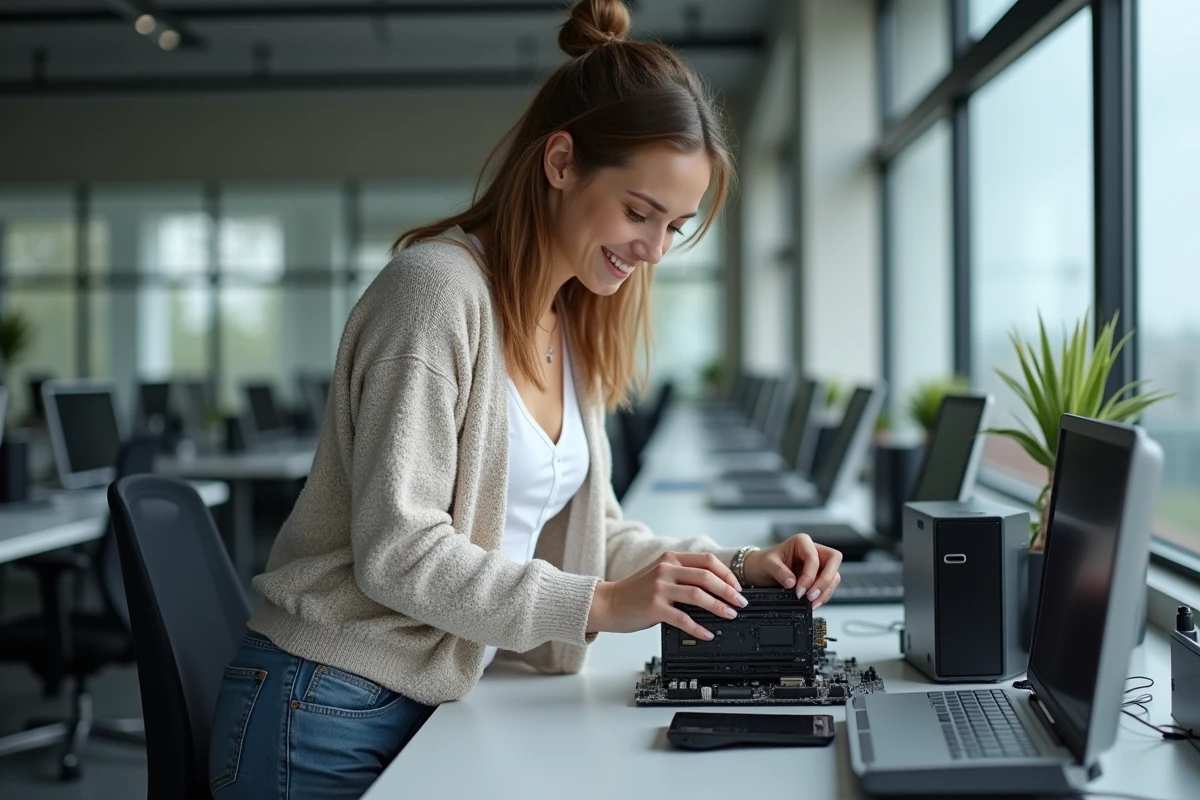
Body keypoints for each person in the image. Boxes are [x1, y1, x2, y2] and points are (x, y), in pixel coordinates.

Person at [208, 1, 843, 797]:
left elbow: (594, 534)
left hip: (436, 690)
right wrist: (603, 605)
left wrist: (742, 569)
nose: (652, 251)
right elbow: (399, 552)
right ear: (561, 162)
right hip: (327, 706)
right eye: (639, 211)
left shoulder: (568, 317)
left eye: (675, 226)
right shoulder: (435, 293)